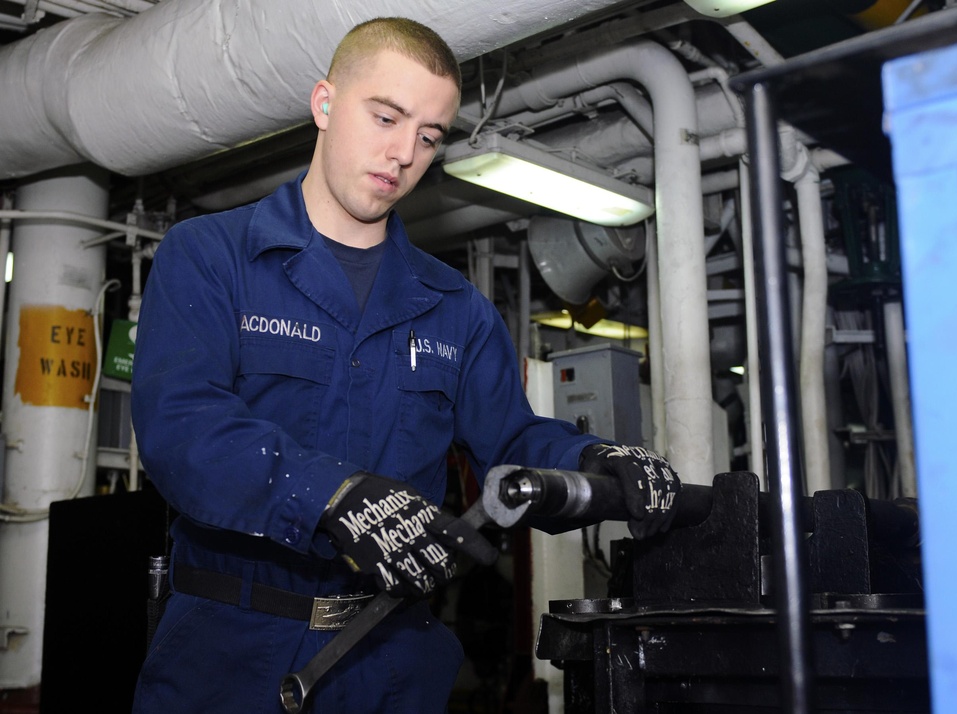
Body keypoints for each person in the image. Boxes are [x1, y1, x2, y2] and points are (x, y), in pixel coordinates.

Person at [130, 16, 681, 714]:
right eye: (385, 117)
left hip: (389, 661)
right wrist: (331, 495)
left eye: (428, 138)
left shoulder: (455, 308)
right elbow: (182, 426)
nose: (402, 155)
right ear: (325, 104)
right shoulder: (211, 257)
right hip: (227, 655)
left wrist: (597, 464)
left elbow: (512, 442)